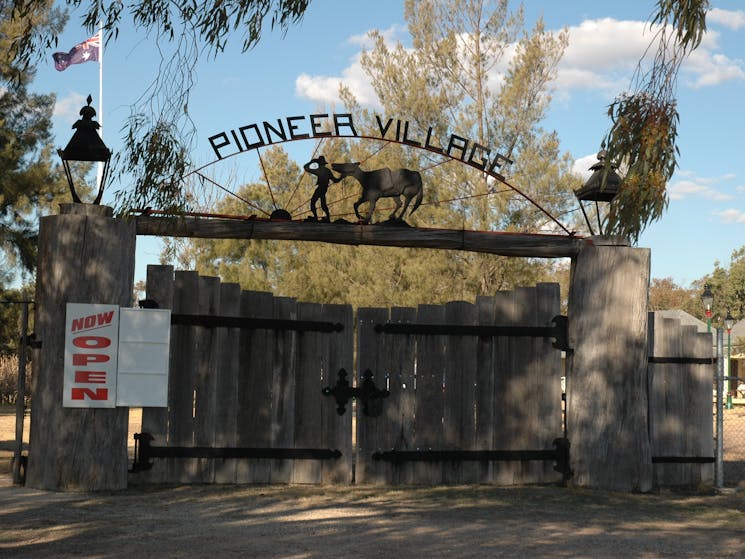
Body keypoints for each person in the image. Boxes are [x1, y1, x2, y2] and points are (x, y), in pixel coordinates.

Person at [304, 156, 340, 221]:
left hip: (320, 188)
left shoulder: (319, 170)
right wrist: (341, 177)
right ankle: (328, 217)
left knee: (313, 202)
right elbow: (335, 180)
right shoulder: (327, 171)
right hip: (324, 188)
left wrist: (311, 162)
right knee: (323, 204)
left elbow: (306, 168)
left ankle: (316, 217)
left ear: (319, 163)